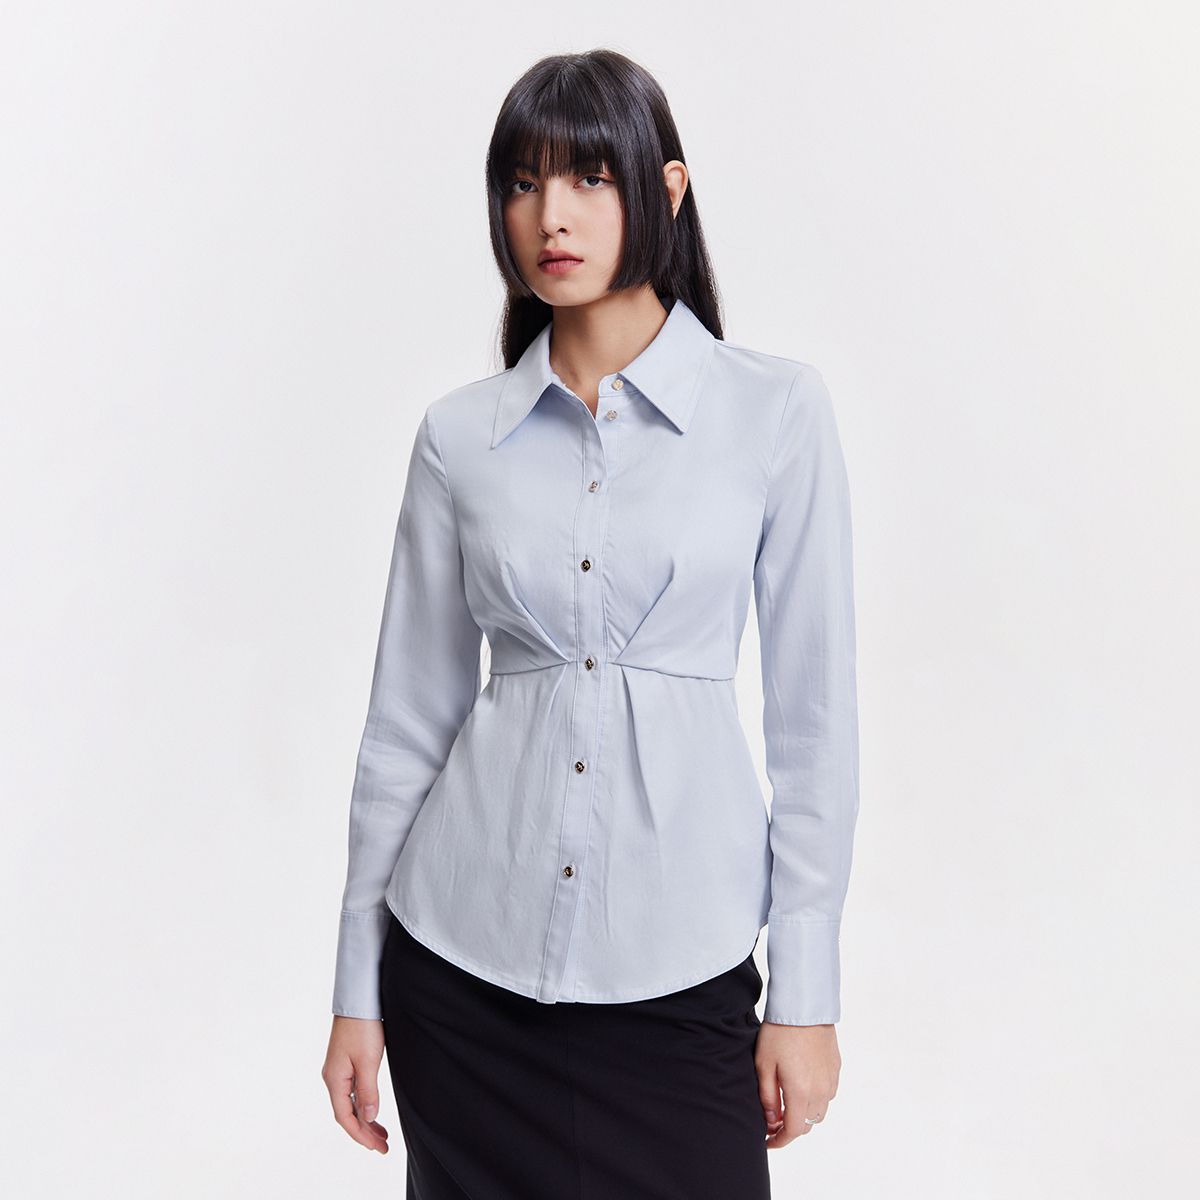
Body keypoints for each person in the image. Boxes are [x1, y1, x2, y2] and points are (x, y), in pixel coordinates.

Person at [320, 48, 860, 1199]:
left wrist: (805, 997)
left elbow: (813, 731)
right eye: (522, 183)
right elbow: (404, 731)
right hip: (457, 979)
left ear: (666, 190)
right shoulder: (459, 438)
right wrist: (357, 990)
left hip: (683, 975)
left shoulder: (775, 414)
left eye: (587, 179)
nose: (549, 216)